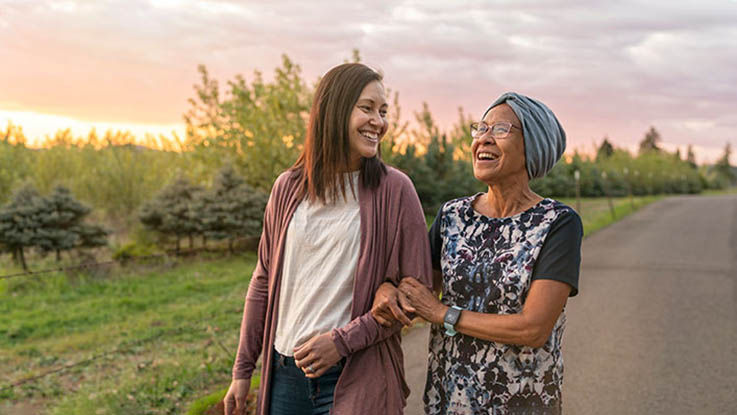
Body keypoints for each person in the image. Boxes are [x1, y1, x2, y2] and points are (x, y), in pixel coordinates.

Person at [223, 63, 432, 415]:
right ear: (334, 109)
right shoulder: (287, 188)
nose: (378, 122)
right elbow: (262, 281)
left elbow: (416, 293)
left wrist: (342, 342)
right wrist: (243, 369)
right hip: (284, 377)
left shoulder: (395, 190)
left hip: (355, 375)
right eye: (366, 108)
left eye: (383, 112)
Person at [373, 92, 583, 414]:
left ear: (534, 146)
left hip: (522, 403)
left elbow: (533, 329)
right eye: (480, 128)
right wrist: (388, 288)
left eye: (500, 130)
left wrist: (443, 314)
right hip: (449, 401)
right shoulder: (452, 216)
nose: (483, 139)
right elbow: (415, 289)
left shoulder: (558, 224)